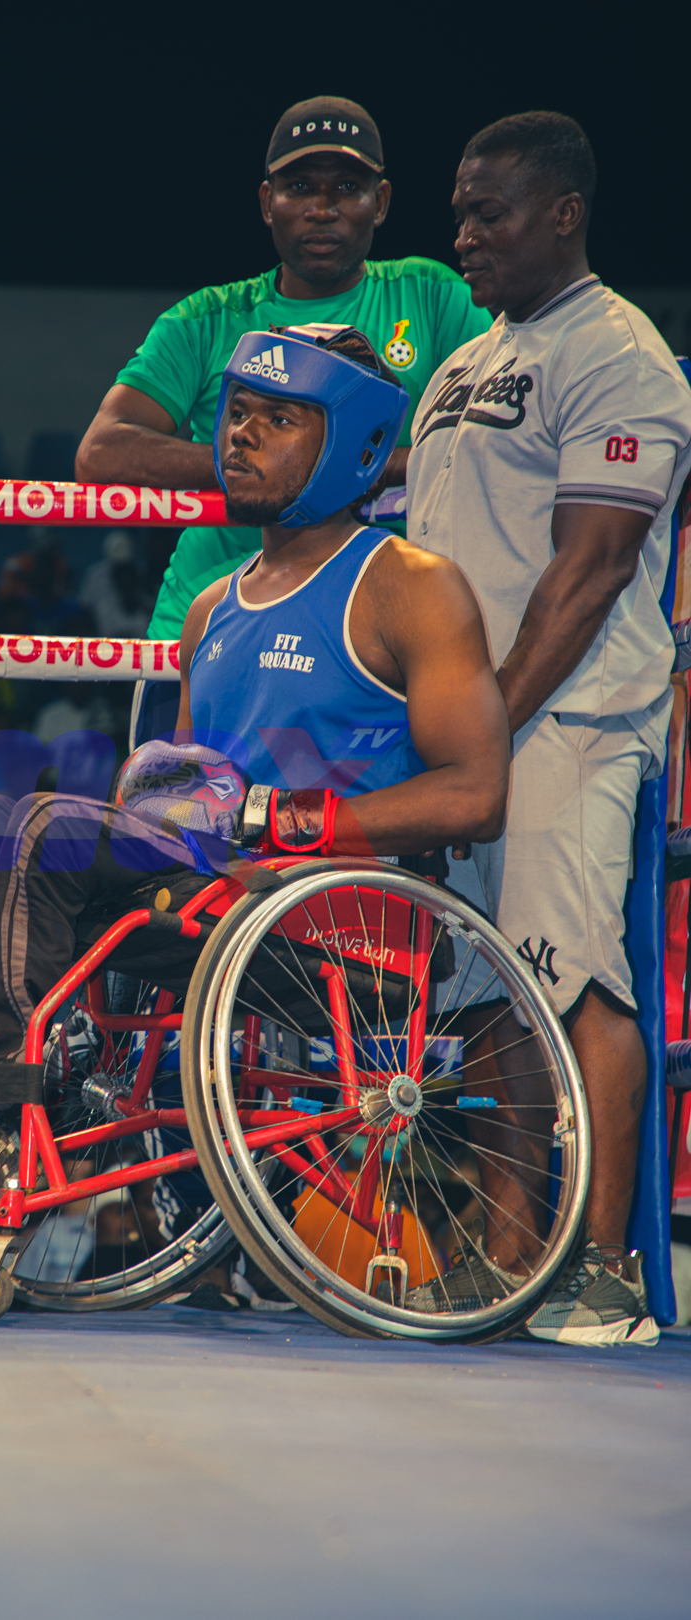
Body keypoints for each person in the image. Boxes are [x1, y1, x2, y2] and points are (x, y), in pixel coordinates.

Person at [0, 324, 508, 1219]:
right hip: (214, 904)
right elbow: (187, 791)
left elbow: (476, 792)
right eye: (238, 412)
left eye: (280, 418)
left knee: (46, 827)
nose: (240, 434)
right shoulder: (211, 607)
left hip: (339, 928)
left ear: (356, 446)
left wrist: (286, 817)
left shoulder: (410, 584)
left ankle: (0, 1117)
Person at [406, 112, 691, 1346]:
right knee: (484, 993)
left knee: (576, 983)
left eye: (491, 213)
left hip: (569, 719)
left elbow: (591, 572)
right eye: (459, 214)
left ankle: (605, 1270)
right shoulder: (464, 363)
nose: (465, 235)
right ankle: (509, 1257)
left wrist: (487, 723)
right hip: (473, 733)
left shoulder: (621, 354)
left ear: (564, 213)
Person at [76, 94, 491, 742]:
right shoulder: (207, 318)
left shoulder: (432, 296)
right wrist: (263, 467)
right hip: (207, 621)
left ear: (381, 201)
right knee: (173, 806)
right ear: (268, 202)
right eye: (300, 187)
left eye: (346, 187)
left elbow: (494, 437)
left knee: (367, 813)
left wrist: (360, 467)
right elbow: (101, 453)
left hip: (372, 632)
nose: (323, 208)